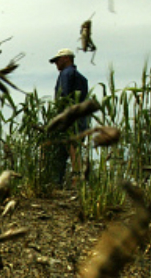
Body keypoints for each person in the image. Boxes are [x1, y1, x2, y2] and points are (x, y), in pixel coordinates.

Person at [49, 48, 89, 186]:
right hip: (80, 116)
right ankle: (74, 179)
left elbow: (64, 96)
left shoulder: (66, 74)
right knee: (73, 146)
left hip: (69, 117)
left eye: (57, 61)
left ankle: (72, 180)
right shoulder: (82, 78)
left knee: (69, 146)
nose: (56, 64)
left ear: (66, 58)